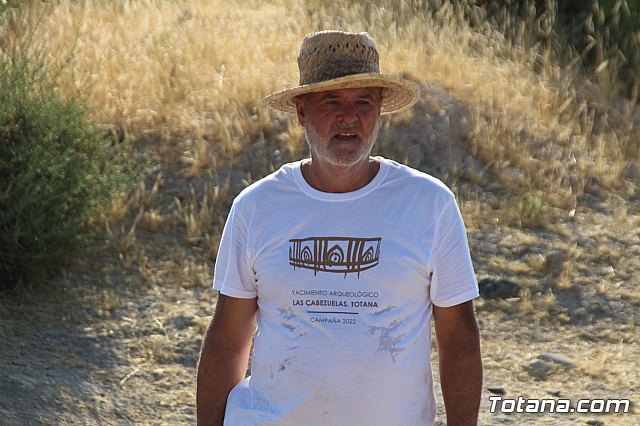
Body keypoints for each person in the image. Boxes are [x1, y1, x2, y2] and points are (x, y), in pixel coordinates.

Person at [197, 30, 482, 426]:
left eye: (363, 102)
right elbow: (228, 342)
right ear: (301, 111)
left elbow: (459, 340)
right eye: (331, 102)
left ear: (380, 109)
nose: (349, 117)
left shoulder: (429, 204)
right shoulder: (256, 207)